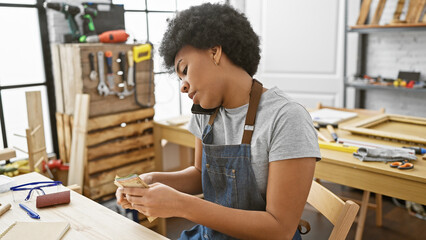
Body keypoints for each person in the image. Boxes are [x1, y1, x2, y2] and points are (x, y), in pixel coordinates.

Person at [116, 3, 321, 240]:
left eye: (184, 69)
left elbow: (280, 229)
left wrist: (181, 205)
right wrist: (152, 180)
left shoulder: (286, 118)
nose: (182, 86)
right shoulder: (205, 113)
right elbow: (199, 174)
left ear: (214, 52)